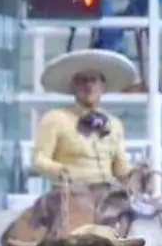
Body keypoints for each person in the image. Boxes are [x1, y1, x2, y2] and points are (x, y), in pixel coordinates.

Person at [29, 49, 137, 187]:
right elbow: (38, 159)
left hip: (105, 196)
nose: (88, 86)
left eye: (94, 80)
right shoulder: (55, 119)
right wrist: (58, 170)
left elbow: (120, 169)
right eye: (82, 81)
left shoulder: (114, 124)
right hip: (70, 194)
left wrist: (137, 175)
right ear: (73, 86)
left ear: (103, 87)